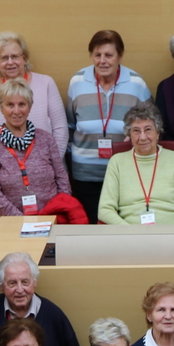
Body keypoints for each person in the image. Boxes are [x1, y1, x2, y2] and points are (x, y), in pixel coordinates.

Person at [66, 30, 151, 224]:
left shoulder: (136, 83)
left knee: (122, 232)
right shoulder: (77, 82)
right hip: (85, 176)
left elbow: (151, 125)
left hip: (126, 175)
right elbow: (70, 125)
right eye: (97, 55)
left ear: (119, 56)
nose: (102, 61)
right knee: (90, 234)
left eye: (109, 55)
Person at [97, 101, 174, 225]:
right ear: (129, 135)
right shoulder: (117, 162)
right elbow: (105, 210)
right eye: (136, 131)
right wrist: (130, 232)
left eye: (148, 130)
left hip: (173, 237)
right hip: (130, 238)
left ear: (158, 133)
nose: (142, 137)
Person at [0, 78, 75, 219]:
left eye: (22, 104)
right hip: (13, 222)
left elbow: (62, 180)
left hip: (52, 217)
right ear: (1, 107)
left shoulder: (46, 139)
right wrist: (20, 219)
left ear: (30, 107)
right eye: (10, 105)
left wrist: (55, 211)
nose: (16, 111)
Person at [0, 31, 67, 156]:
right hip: (6, 172)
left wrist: (47, 165)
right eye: (4, 58)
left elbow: (60, 130)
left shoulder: (46, 83)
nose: (10, 62)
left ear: (24, 58)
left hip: (46, 169)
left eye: (14, 56)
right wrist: (8, 168)